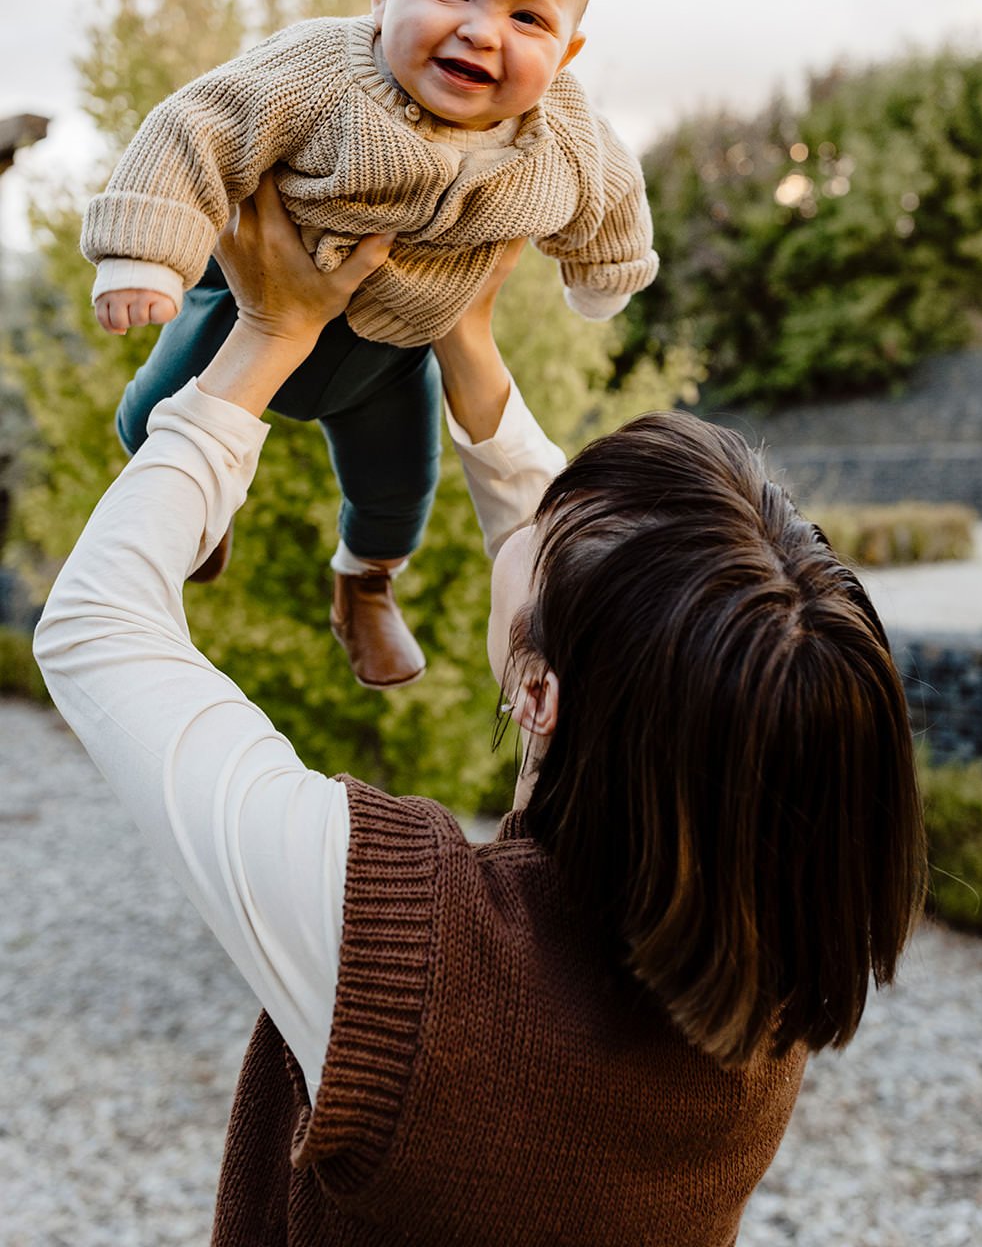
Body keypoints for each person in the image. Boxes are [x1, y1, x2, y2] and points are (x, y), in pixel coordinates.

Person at [35, 178, 927, 1246]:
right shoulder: (766, 972)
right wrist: (466, 343)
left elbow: (95, 625)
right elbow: (617, 607)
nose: (531, 514)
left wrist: (262, 340)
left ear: (538, 693)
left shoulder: (399, 946)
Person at [80, 0, 658, 692]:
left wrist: (604, 269)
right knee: (153, 416)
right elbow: (195, 125)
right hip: (248, 302)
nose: (480, 31)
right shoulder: (316, 71)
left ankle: (364, 583)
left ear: (569, 49)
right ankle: (196, 513)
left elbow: (612, 194)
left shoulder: (563, 133)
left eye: (527, 16)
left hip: (393, 355)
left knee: (399, 491)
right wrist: (142, 253)